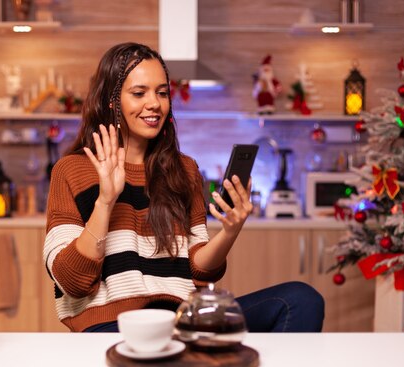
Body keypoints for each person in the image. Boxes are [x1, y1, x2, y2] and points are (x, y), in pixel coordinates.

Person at [43, 42, 324, 333]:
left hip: (182, 319)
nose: (155, 103)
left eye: (162, 92)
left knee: (300, 299)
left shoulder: (183, 170)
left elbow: (200, 273)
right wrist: (105, 201)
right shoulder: (72, 170)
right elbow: (71, 281)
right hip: (112, 326)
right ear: (112, 100)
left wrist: (231, 229)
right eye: (139, 93)